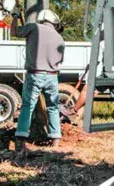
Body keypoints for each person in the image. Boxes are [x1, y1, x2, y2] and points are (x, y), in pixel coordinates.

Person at [13, 8, 65, 153]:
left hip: (35, 74)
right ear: (53, 21)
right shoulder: (59, 37)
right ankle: (55, 139)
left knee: (27, 106)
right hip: (52, 75)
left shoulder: (33, 28)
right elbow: (60, 60)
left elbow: (14, 32)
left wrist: (15, 17)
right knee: (53, 107)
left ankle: (20, 139)